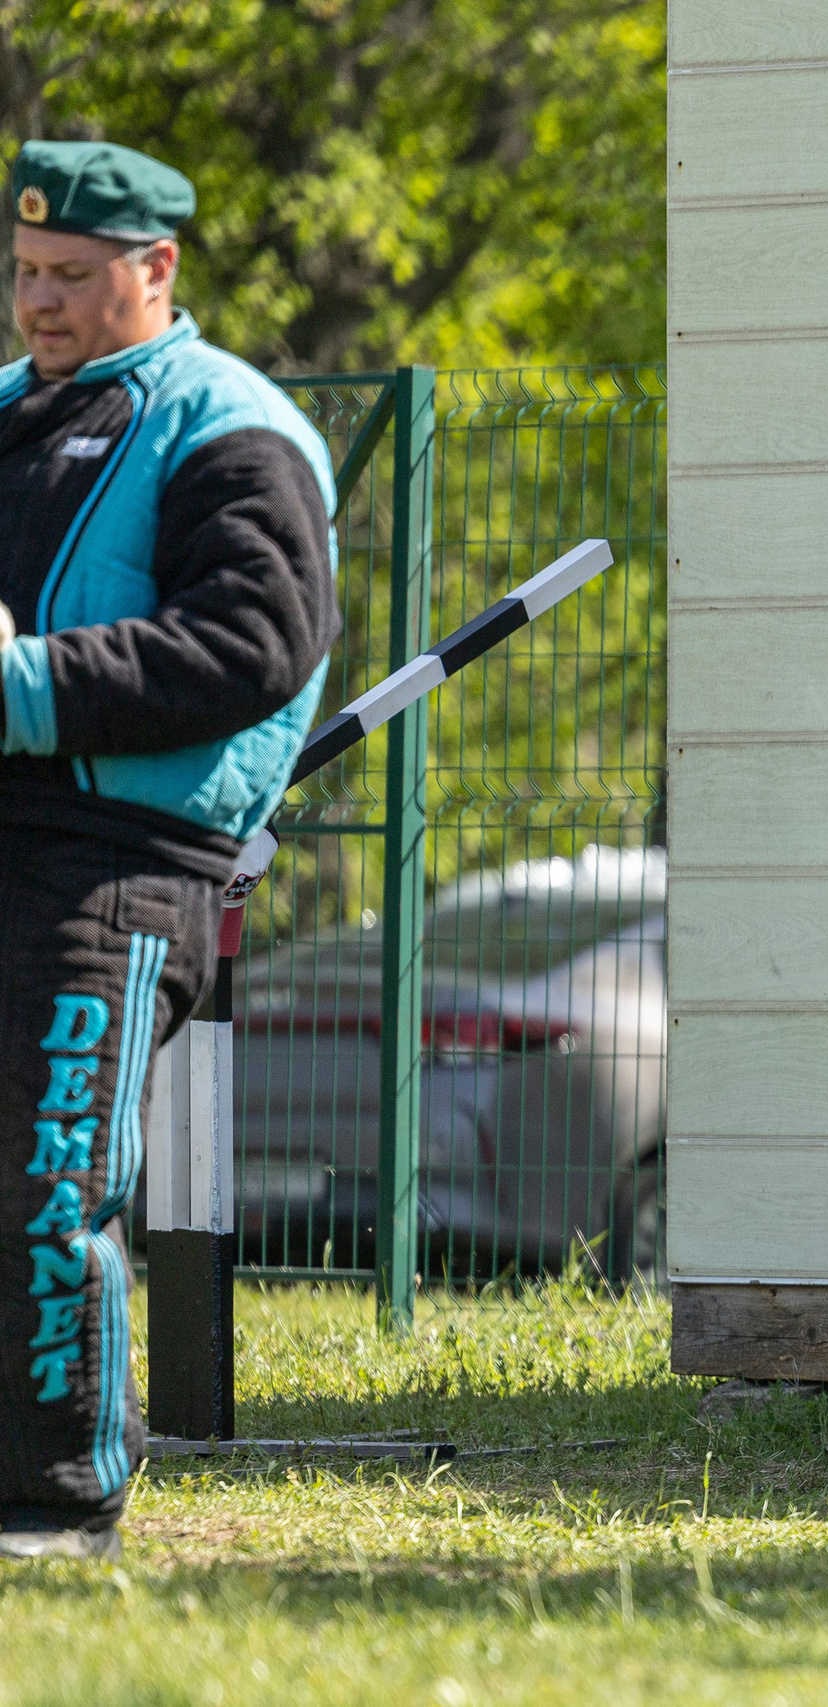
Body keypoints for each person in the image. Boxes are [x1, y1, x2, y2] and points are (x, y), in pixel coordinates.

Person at [1, 141, 338, 1559]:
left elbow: (258, 643)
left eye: (72, 277)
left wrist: (23, 689)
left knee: (46, 1184)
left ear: (158, 268)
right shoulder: (11, 411)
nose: (40, 304)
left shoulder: (231, 427)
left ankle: (55, 1502)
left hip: (123, 858)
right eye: (23, 274)